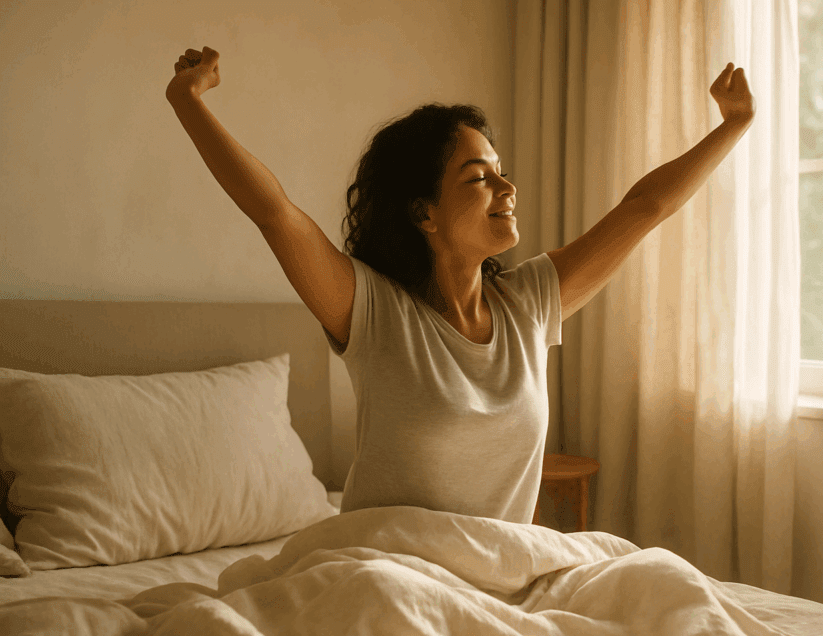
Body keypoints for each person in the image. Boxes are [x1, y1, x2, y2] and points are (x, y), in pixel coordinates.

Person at [165, 46, 755, 525]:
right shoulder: (373, 311)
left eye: (502, 171)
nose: (507, 188)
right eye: (479, 177)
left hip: (498, 581)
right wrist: (188, 102)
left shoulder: (529, 303)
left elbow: (643, 208)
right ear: (426, 214)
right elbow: (274, 212)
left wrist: (733, 127)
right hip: (390, 574)